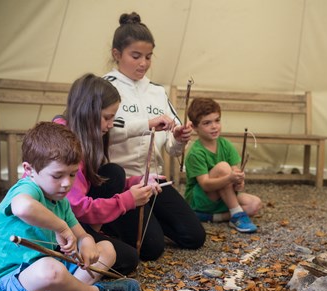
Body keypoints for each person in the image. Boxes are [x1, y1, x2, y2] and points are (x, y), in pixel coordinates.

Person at [0, 122, 141, 291]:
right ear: (29, 170)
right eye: (57, 175)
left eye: (72, 174)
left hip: (47, 268)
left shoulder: (61, 201)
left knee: (106, 250)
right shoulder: (28, 188)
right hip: (9, 284)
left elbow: (83, 236)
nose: (67, 183)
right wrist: (62, 228)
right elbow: (23, 208)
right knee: (51, 270)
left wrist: (87, 243)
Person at [102, 11, 206, 260]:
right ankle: (108, 221)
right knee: (150, 250)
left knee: (194, 237)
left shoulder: (157, 92)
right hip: (120, 182)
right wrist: (147, 124)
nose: (143, 63)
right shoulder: (104, 87)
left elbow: (171, 148)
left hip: (153, 180)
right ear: (117, 54)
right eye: (135, 56)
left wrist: (179, 138)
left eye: (148, 57)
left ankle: (150, 217)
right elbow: (100, 133)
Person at [54, 73, 162, 274]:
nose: (111, 124)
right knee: (129, 260)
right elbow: (75, 206)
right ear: (88, 112)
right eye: (107, 117)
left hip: (76, 218)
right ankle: (83, 247)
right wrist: (127, 200)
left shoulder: (86, 135)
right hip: (62, 227)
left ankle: (96, 234)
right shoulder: (64, 146)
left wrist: (134, 183)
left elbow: (96, 177)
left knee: (113, 173)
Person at [184, 98, 262, 233]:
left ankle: (213, 217)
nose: (214, 126)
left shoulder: (226, 145)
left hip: (223, 195)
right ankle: (237, 214)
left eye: (217, 120)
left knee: (254, 204)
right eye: (207, 123)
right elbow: (205, 185)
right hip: (200, 200)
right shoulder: (196, 153)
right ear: (195, 127)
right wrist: (230, 178)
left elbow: (235, 172)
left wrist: (238, 182)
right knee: (222, 167)